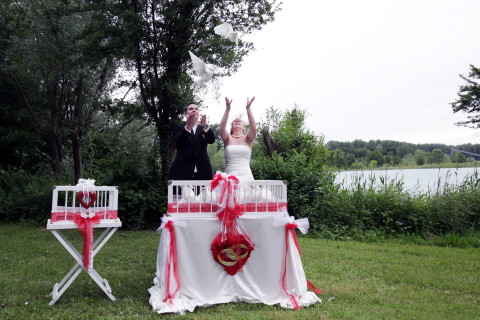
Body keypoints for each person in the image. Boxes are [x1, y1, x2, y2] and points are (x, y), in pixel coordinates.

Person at [168, 102, 216, 181]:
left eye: (196, 109)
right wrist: (188, 127)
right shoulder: (178, 127)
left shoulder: (203, 128)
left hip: (203, 173)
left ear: (199, 113)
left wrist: (205, 126)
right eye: (191, 109)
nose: (194, 110)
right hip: (182, 172)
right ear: (186, 114)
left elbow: (211, 140)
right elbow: (178, 141)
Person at [219, 96, 256, 181]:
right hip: (229, 177)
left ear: (244, 128)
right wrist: (227, 109)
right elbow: (221, 128)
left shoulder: (248, 139)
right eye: (234, 121)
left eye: (239, 121)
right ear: (231, 128)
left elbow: (253, 127)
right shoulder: (227, 138)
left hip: (246, 177)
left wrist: (248, 109)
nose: (237, 121)